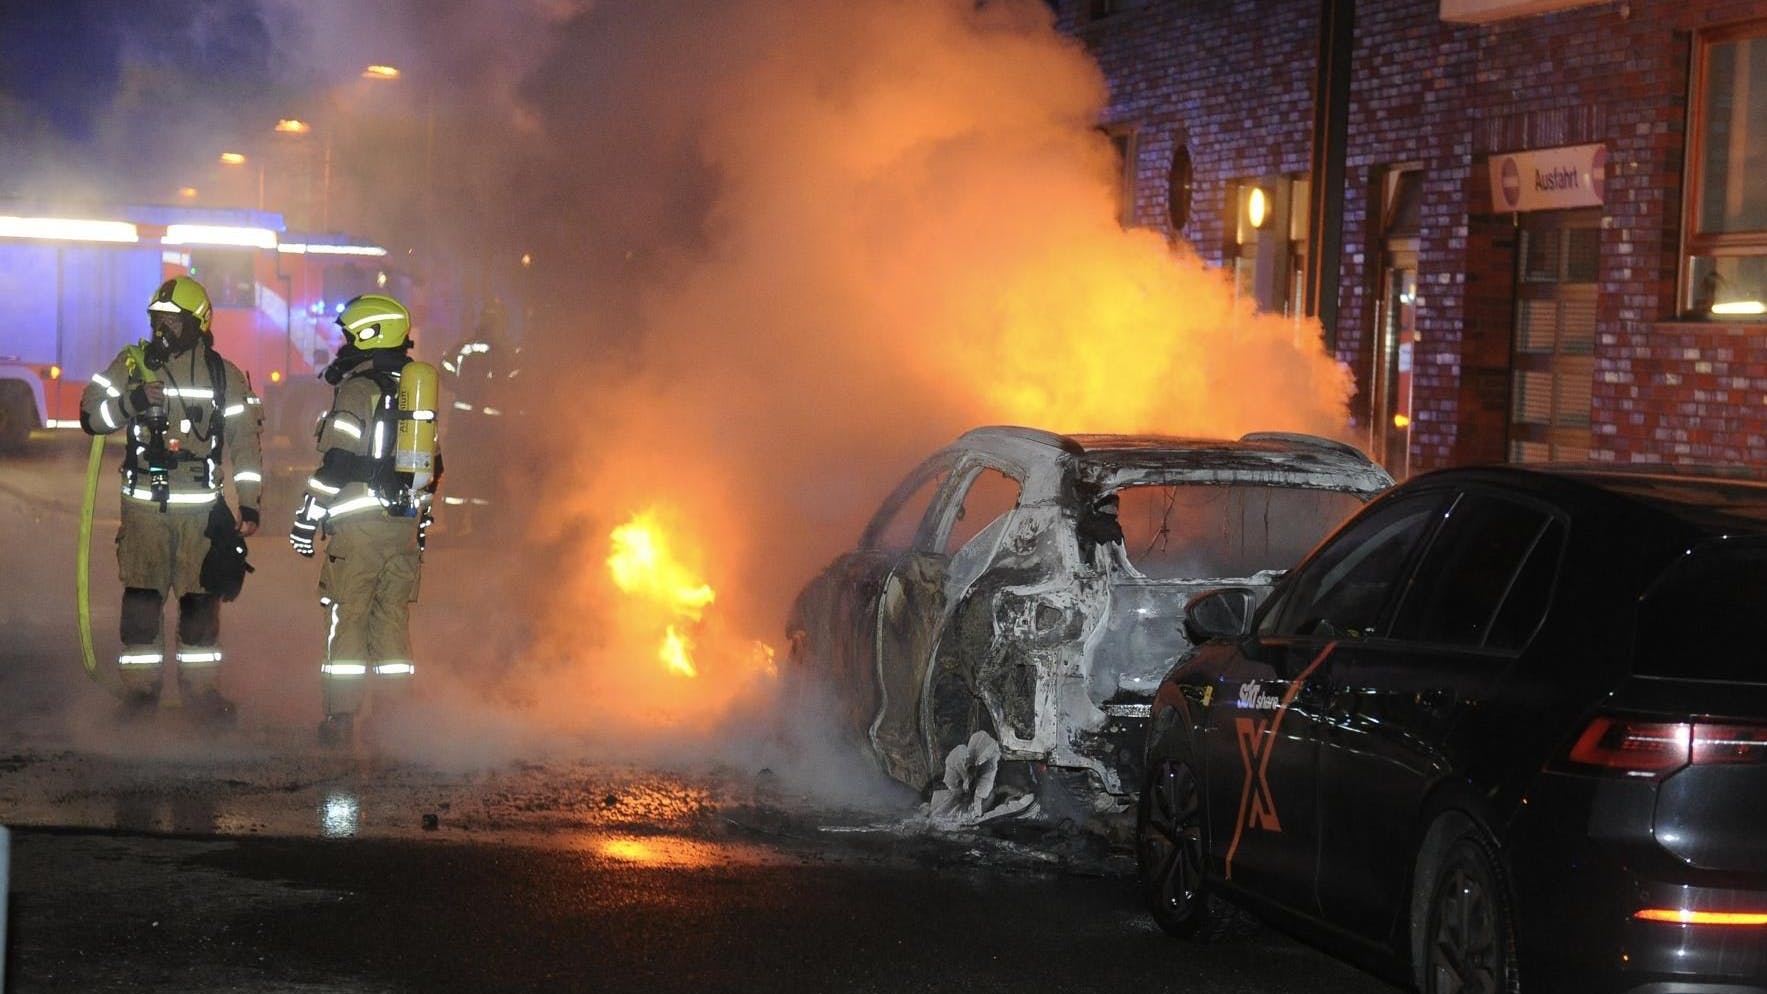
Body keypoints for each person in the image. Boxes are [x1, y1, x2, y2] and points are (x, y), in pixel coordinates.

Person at [79, 275, 264, 720]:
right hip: (144, 509)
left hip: (200, 514)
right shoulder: (131, 365)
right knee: (142, 601)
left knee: (200, 604)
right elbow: (90, 416)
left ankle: (201, 695)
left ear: (197, 324)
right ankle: (140, 696)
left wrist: (251, 502)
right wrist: (130, 401)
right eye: (156, 320)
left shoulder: (225, 376)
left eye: (172, 322)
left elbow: (245, 445)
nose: (161, 330)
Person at [289, 293, 441, 748]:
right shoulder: (415, 392)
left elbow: (336, 464)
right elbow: (433, 466)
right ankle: (395, 721)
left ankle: (340, 722)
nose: (343, 345)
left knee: (348, 620)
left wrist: (306, 518)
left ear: (369, 335)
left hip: (358, 531)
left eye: (350, 336)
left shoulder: (358, 390)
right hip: (402, 528)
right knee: (391, 623)